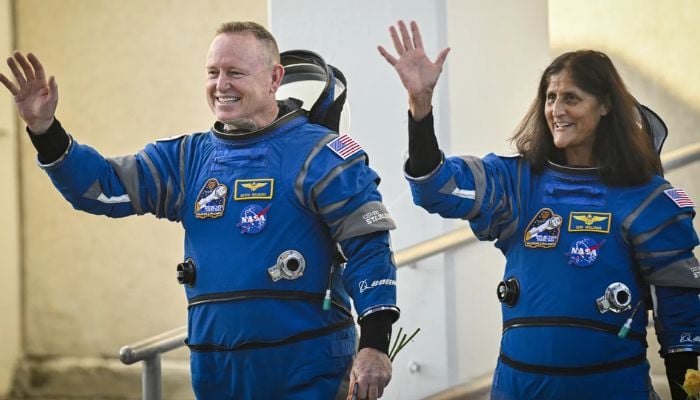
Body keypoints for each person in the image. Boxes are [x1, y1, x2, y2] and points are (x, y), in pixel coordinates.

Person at [1, 21, 399, 400]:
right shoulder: (187, 160)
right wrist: (45, 130)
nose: (221, 85)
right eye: (213, 72)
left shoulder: (322, 155)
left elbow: (369, 248)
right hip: (216, 374)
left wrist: (375, 345)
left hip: (307, 371)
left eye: (235, 73)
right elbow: (102, 189)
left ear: (275, 78)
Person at [378, 20, 700, 400]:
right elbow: (438, 187)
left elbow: (681, 317)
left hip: (611, 387)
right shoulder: (516, 182)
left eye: (572, 98)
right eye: (550, 97)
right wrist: (421, 107)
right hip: (520, 388)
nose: (556, 110)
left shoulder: (645, 197)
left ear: (606, 106)